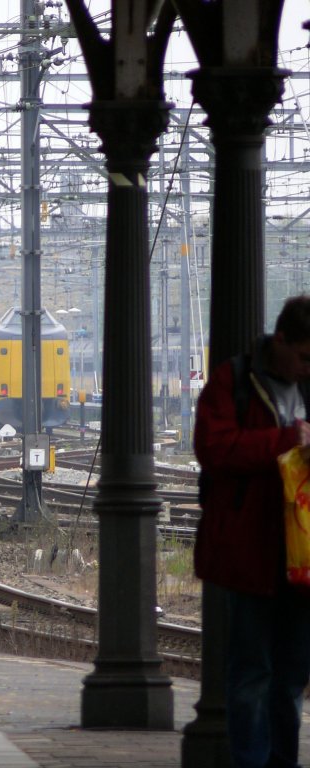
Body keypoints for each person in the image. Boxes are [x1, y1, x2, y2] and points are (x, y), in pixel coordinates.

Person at [194, 294, 310, 768]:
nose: (307, 368)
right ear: (280, 340)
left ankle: (283, 760)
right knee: (252, 674)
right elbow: (214, 448)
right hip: (252, 555)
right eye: (303, 357)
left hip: (303, 559)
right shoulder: (235, 381)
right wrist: (285, 441)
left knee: (291, 677)